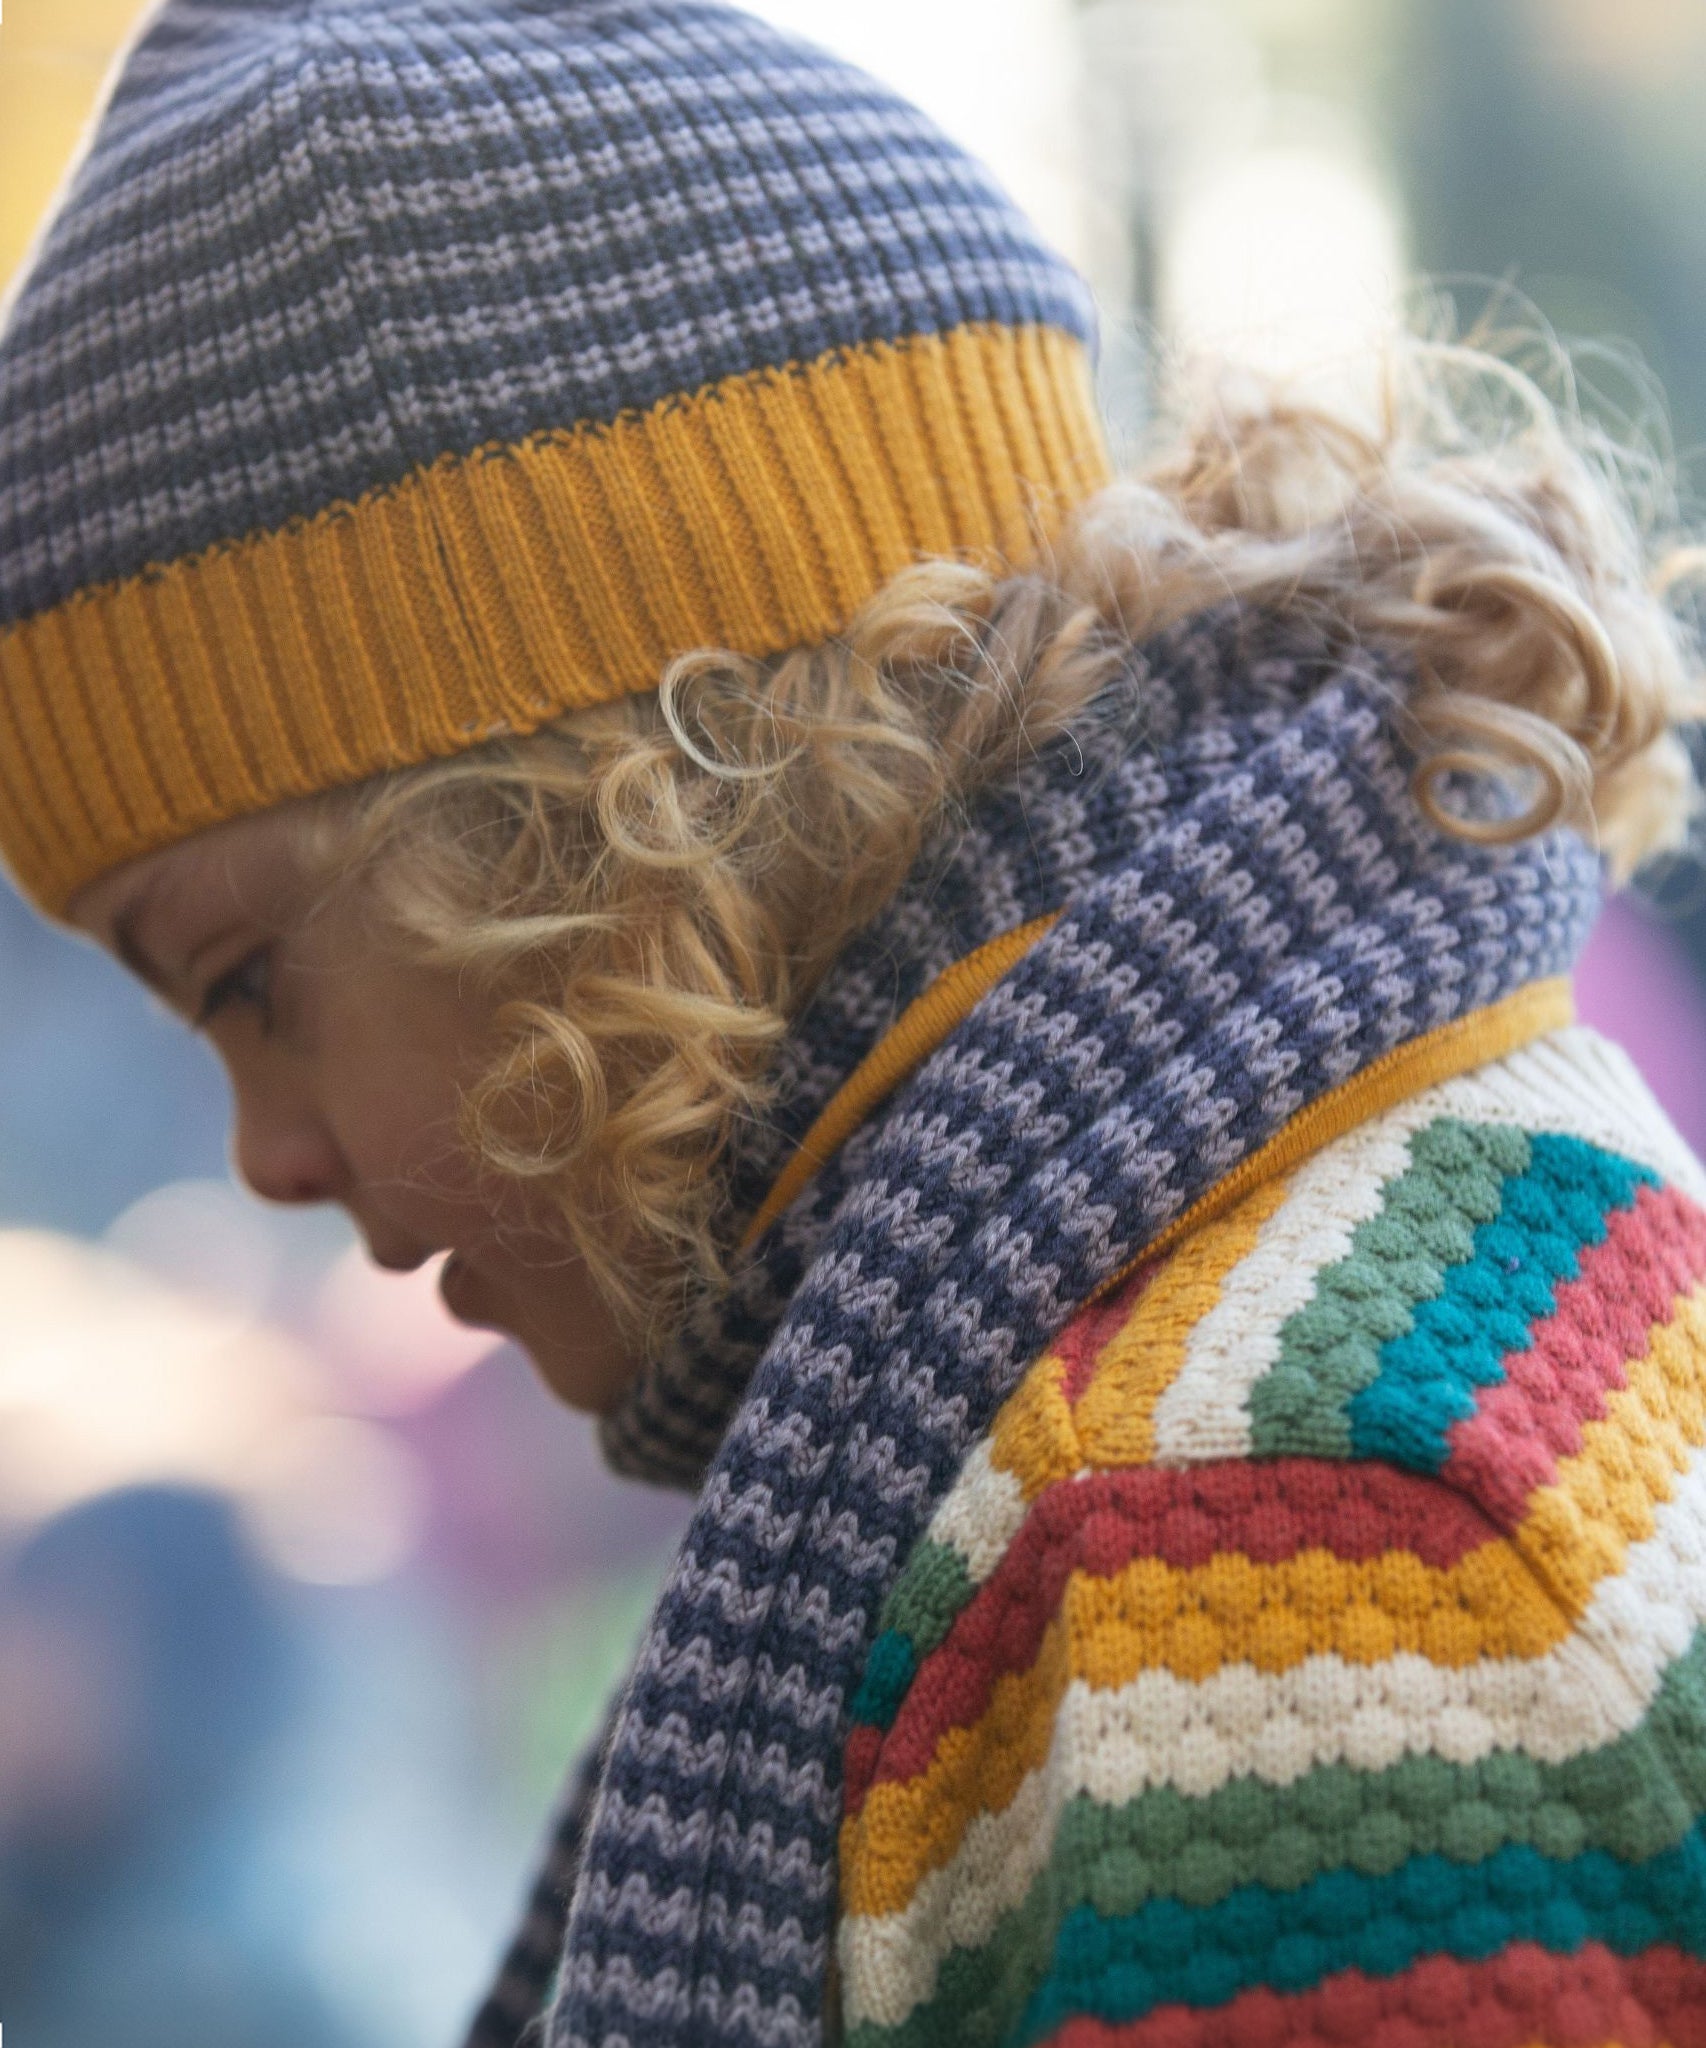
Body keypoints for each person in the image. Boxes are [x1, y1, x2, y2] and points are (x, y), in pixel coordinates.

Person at [3, 2, 1705, 2043]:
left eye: (246, 979)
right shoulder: (1344, 1209)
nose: (263, 1154)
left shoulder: (1253, 1551)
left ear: (598, 806)